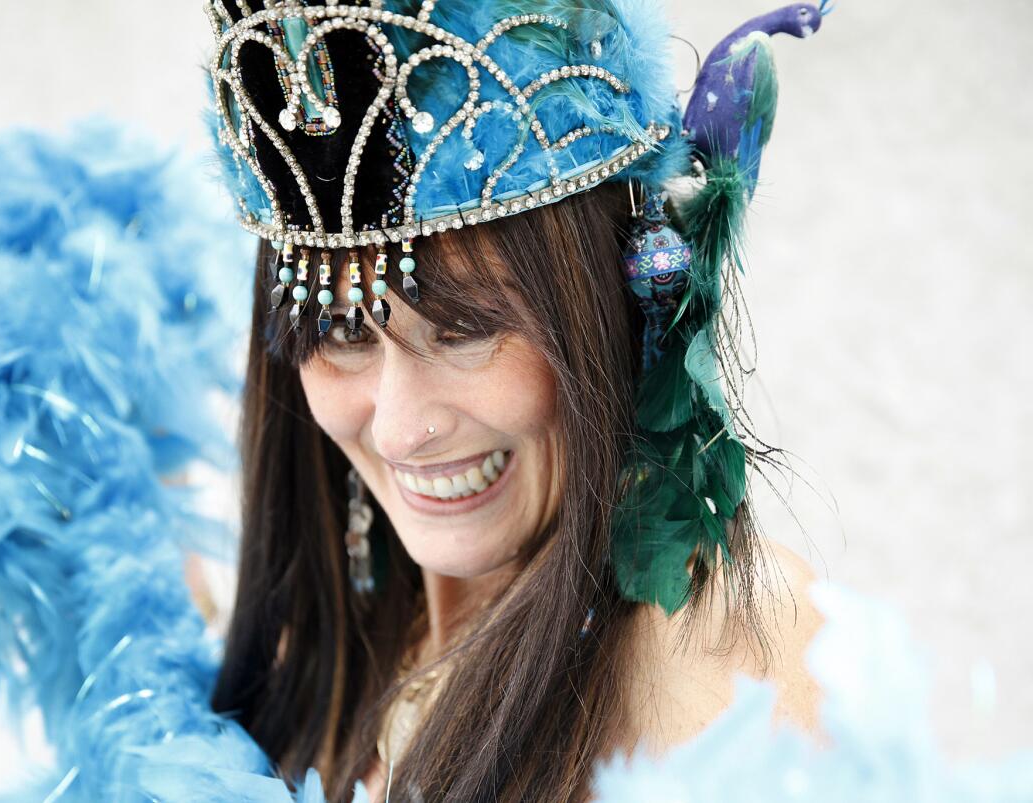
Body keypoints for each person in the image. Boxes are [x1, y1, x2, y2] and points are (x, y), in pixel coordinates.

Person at [203, 0, 829, 799]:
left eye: (462, 329)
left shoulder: (733, 661)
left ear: (613, 300)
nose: (399, 428)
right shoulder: (317, 652)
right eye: (341, 333)